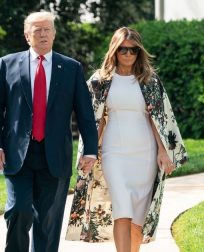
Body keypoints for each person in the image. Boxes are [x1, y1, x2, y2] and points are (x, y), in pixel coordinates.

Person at [65, 27, 188, 252]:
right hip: (114, 153)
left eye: (133, 50)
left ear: (139, 52)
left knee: (137, 219)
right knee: (122, 211)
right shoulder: (100, 81)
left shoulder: (150, 81)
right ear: (114, 50)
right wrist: (90, 151)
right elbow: (95, 120)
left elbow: (158, 119)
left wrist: (163, 152)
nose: (128, 54)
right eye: (122, 49)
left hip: (145, 154)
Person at [0, 11, 98, 252]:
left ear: (54, 34)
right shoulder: (6, 64)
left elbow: (85, 113)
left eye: (47, 29)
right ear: (27, 35)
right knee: (18, 210)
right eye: (37, 30)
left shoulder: (71, 68)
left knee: (48, 221)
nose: (43, 34)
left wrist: (91, 151)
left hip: (55, 155)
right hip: (17, 154)